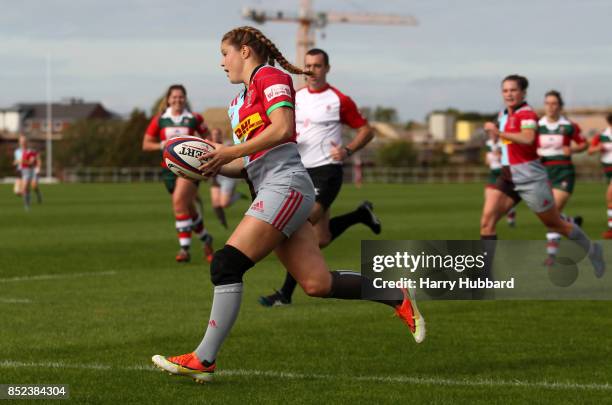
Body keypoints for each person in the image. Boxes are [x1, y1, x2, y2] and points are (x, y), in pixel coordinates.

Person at [152, 26, 425, 384]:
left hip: (286, 187)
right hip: (269, 188)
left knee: (226, 265)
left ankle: (203, 360)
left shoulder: (270, 77)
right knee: (317, 284)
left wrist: (227, 151)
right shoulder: (237, 103)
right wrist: (211, 163)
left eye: (225, 53)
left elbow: (282, 129)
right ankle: (395, 293)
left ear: (245, 51)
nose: (222, 63)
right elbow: (248, 161)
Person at [258, 48, 381, 307]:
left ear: (327, 68)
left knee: (299, 224)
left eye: (316, 66)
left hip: (327, 171)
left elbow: (366, 131)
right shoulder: (295, 96)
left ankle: (285, 294)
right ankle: (361, 214)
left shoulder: (338, 100)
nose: (311, 71)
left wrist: (347, 150)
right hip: (300, 169)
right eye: (307, 65)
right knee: (321, 238)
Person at [480, 74, 604, 279]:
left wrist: (499, 133)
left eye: (513, 90)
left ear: (523, 93)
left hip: (530, 178)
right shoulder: (503, 114)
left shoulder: (527, 114)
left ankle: (593, 251)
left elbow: (528, 139)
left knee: (556, 224)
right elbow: (506, 141)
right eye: (505, 90)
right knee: (487, 220)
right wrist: (493, 135)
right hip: (507, 176)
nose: (509, 94)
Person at [142, 84, 214, 263]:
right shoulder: (160, 120)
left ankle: (184, 249)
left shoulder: (194, 118)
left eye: (181, 97)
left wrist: (201, 152)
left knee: (179, 202)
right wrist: (163, 145)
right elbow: (146, 144)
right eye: (174, 97)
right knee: (187, 208)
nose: (177, 100)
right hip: (168, 171)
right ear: (168, 99)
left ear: (185, 98)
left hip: (189, 170)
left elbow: (209, 139)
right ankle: (206, 239)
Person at [536, 90, 587, 264]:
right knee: (549, 215)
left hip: (563, 172)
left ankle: (551, 256)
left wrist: (572, 149)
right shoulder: (536, 125)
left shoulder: (569, 126)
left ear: (560, 106)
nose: (550, 107)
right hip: (542, 173)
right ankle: (571, 222)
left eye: (554, 103)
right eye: (547, 103)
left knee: (554, 211)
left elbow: (583, 144)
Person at [209, 127, 244, 229]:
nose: (215, 136)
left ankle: (238, 195)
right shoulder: (207, 145)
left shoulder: (227, 145)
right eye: (213, 134)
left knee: (224, 204)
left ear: (220, 135)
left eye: (217, 134)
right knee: (215, 203)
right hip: (216, 176)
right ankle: (223, 224)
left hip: (227, 177)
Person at [484, 129, 516, 227]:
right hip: (493, 173)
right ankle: (490, 221)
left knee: (502, 199)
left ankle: (510, 211)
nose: (492, 134)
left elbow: (510, 154)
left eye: (494, 132)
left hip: (503, 172)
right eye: (490, 132)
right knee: (488, 199)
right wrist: (488, 160)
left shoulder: (504, 141)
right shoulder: (488, 143)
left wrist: (500, 155)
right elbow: (487, 160)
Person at [588, 113, 612, 239]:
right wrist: (598, 148)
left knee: (610, 195)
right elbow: (590, 151)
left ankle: (611, 228)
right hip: (608, 170)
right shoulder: (602, 136)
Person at [18, 135, 42, 211]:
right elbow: (17, 162)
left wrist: (38, 167)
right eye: (21, 141)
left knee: (33, 186)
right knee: (26, 188)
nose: (22, 143)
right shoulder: (17, 151)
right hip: (24, 171)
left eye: (24, 141)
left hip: (31, 170)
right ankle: (27, 206)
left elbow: (32, 162)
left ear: (26, 142)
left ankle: (38, 195)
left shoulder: (31, 151)